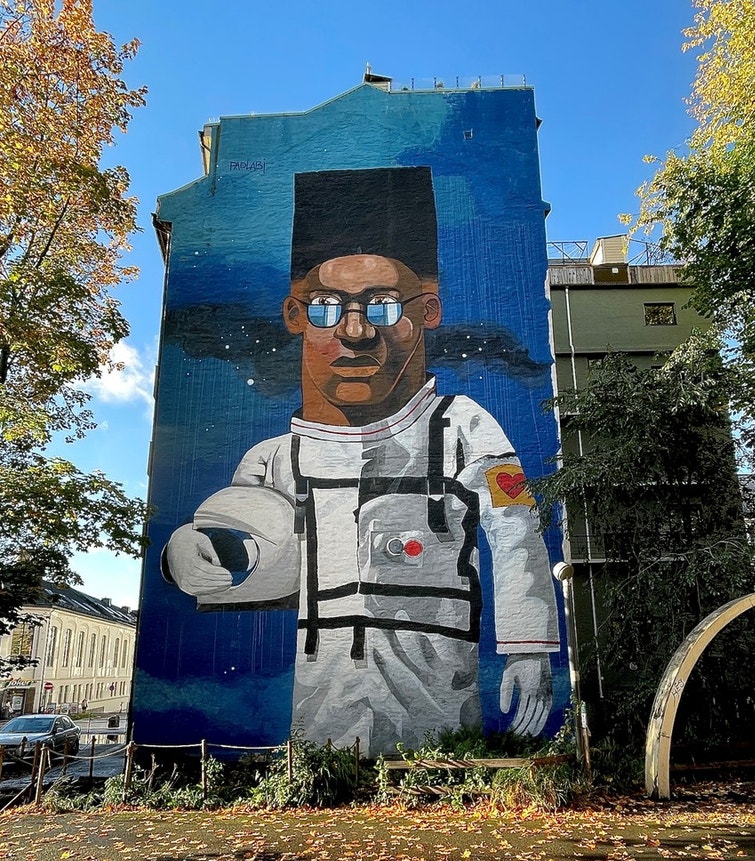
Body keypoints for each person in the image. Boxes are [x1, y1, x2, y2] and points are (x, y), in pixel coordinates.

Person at [162, 167, 559, 754]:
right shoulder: (272, 462)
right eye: (325, 307)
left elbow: (517, 528)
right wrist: (186, 553)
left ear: (429, 310)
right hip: (323, 713)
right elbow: (243, 554)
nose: (354, 331)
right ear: (294, 315)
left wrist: (528, 647)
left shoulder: (465, 429)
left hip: (438, 709)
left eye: (383, 306)